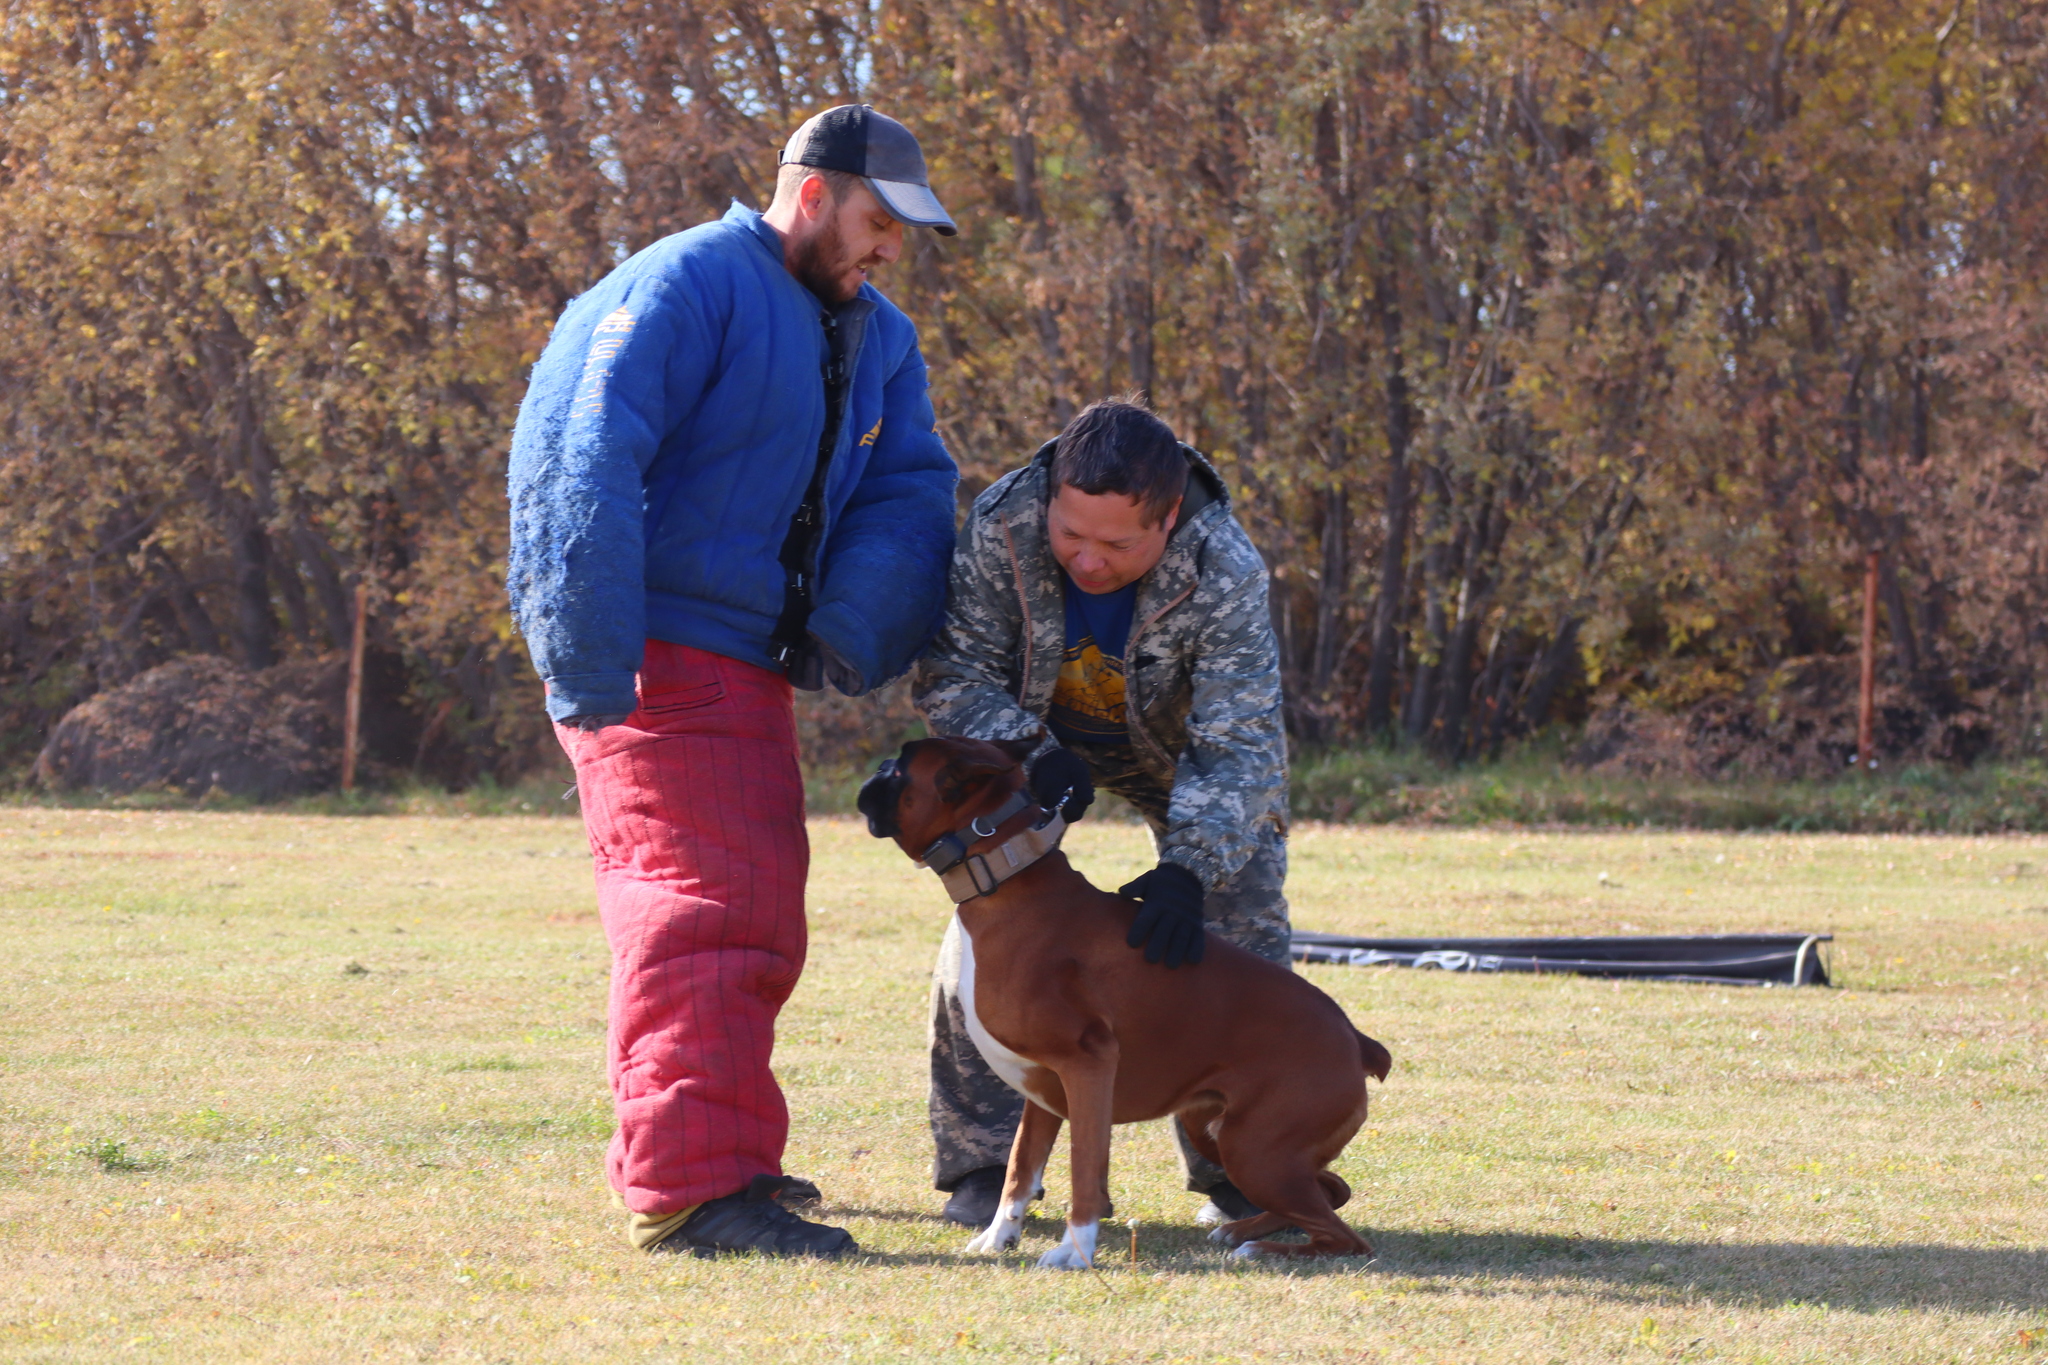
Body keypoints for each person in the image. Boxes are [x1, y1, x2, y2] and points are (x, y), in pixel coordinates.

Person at [506, 105, 959, 1258]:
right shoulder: (684, 281)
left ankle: (727, 1158)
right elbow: (579, 450)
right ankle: (695, 1191)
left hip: (745, 667)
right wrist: (596, 656)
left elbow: (909, 486)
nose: (887, 247)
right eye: (874, 220)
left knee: (751, 911)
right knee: (703, 914)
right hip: (656, 656)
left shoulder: (879, 335)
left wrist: (850, 627)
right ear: (811, 194)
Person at [911, 397, 1291, 1230]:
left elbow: (1239, 741)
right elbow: (950, 671)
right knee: (984, 946)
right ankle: (983, 1169)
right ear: (1049, 501)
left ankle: (1240, 1168)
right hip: (1034, 757)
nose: (1087, 560)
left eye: (1117, 544)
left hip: (1180, 759)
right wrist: (1028, 748)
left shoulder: (1225, 567)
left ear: (1166, 520)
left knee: (1243, 932)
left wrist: (1189, 870)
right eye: (1070, 534)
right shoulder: (1002, 522)